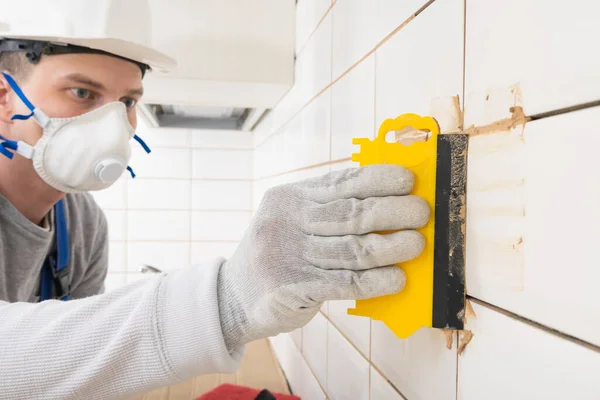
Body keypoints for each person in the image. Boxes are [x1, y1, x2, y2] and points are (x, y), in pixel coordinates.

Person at [0, 1, 430, 399]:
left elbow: (72, 374)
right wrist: (227, 301)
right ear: (5, 97)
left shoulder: (82, 223)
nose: (113, 126)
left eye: (128, 101)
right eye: (82, 93)